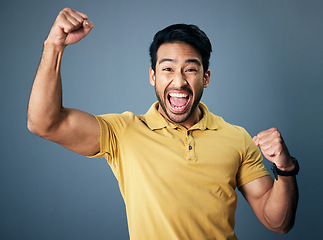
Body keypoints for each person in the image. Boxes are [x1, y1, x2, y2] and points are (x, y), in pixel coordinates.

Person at [27, 8, 299, 240]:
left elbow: (277, 222)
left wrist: (285, 169)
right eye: (167, 69)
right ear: (152, 76)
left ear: (205, 77)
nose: (179, 81)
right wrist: (54, 46)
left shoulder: (237, 138)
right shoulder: (123, 132)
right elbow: (44, 123)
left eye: (190, 69)